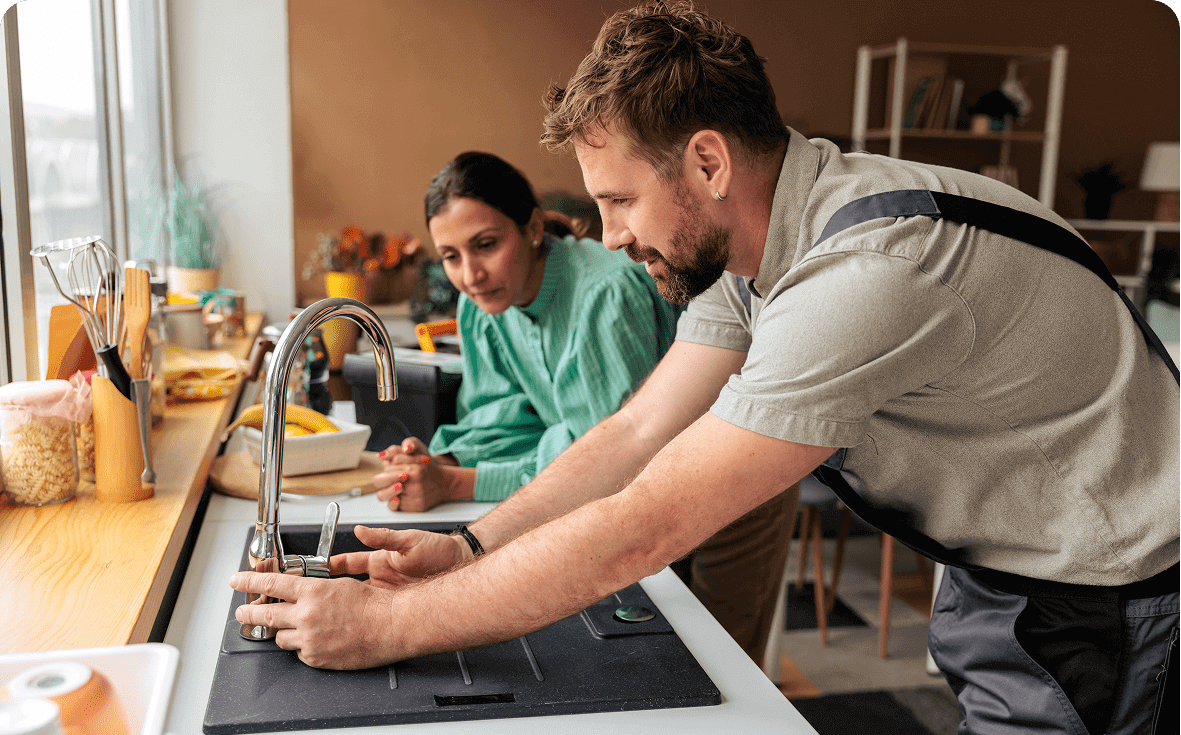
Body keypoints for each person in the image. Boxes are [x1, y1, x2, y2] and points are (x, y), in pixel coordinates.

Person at [232, 4, 1179, 734]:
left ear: (708, 161)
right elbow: (639, 431)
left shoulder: (864, 274)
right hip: (1008, 556)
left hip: (1102, 584)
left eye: (618, 201)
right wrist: (474, 546)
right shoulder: (753, 251)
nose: (604, 235)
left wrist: (386, 628)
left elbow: (641, 526)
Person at [372, 150, 798, 666]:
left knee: (722, 669)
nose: (471, 274)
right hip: (637, 484)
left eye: (486, 245)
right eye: (451, 256)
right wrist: (442, 462)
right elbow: (503, 421)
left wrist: (461, 485)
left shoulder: (603, 292)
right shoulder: (482, 306)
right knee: (660, 666)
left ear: (531, 229)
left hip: (734, 473)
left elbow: (614, 459)